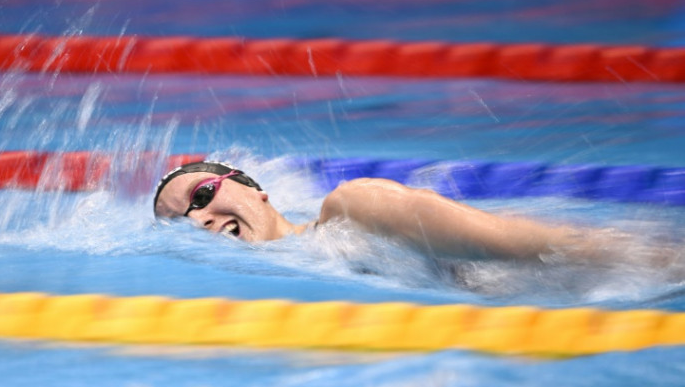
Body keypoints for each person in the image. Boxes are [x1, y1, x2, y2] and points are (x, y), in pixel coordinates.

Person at [153, 161, 676, 267]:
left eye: (199, 197)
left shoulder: (350, 209)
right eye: (181, 222)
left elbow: (521, 242)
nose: (197, 220)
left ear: (255, 189)